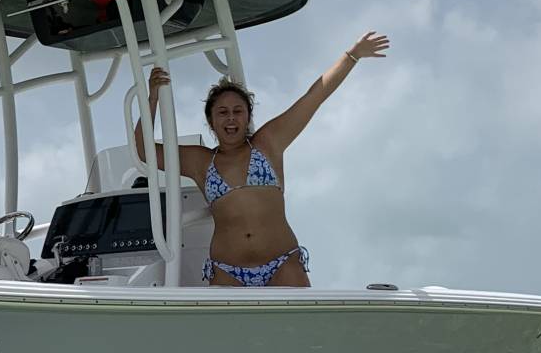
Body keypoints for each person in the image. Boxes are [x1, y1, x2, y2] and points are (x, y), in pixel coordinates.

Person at [133, 33, 389, 287]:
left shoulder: (268, 143)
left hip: (282, 264)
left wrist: (352, 55)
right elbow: (145, 150)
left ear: (248, 117)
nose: (231, 118)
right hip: (227, 270)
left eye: (238, 111)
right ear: (211, 122)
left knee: (301, 327)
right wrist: (152, 98)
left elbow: (314, 97)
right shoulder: (200, 161)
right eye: (222, 113)